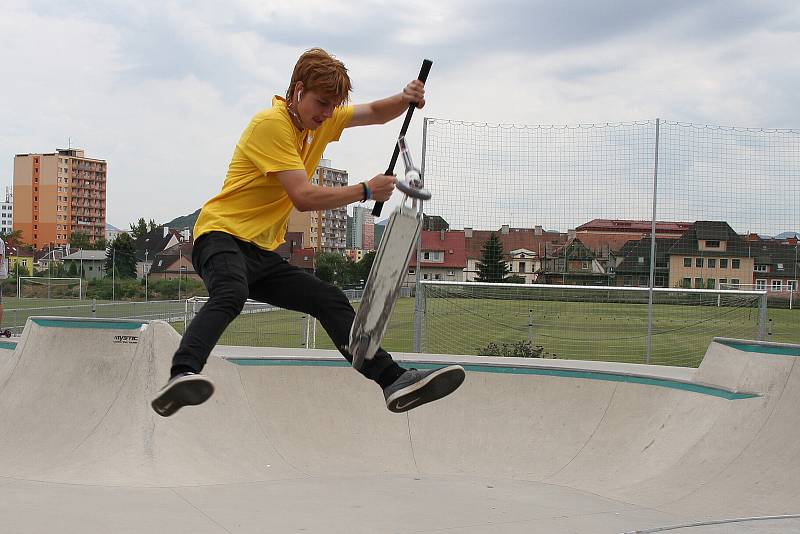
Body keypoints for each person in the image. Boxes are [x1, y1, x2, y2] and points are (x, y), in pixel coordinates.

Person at [152, 48, 465, 417]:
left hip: (260, 253)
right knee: (231, 292)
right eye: (322, 103)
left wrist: (405, 97)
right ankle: (182, 373)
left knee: (327, 298)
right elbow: (302, 196)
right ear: (298, 91)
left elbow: (377, 113)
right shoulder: (271, 125)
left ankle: (392, 379)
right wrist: (365, 190)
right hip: (219, 236)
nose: (328, 114)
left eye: (334, 106)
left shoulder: (321, 119)